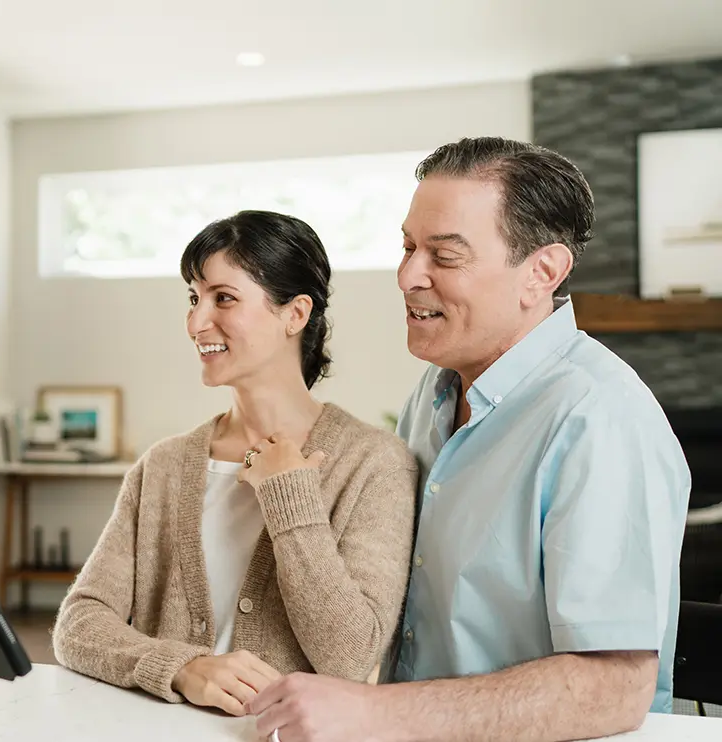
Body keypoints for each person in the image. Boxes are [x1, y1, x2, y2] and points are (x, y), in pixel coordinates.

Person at [247, 137, 691, 742]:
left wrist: (376, 713)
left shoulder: (600, 418)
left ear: (542, 273)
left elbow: (612, 689)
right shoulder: (432, 394)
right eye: (408, 247)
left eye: (445, 256)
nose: (408, 276)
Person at [51, 210, 419, 717]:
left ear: (295, 314)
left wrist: (290, 497)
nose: (196, 322)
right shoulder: (163, 466)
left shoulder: (374, 464)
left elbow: (350, 658)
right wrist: (182, 667)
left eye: (223, 298)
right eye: (194, 298)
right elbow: (79, 623)